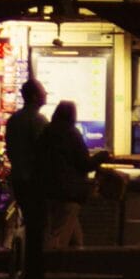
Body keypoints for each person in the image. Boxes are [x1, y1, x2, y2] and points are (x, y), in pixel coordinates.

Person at [4, 77, 49, 279]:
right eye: (42, 92)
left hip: (19, 179)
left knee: (30, 223)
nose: (46, 94)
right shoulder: (37, 120)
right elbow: (45, 151)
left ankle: (29, 271)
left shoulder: (13, 121)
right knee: (37, 226)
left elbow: (10, 150)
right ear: (34, 96)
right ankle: (34, 276)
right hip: (34, 180)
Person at [43, 99, 94, 249]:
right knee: (59, 237)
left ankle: (75, 267)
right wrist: (101, 157)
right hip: (69, 193)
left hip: (50, 192)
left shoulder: (47, 131)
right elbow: (85, 163)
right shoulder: (71, 133)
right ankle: (52, 268)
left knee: (75, 240)